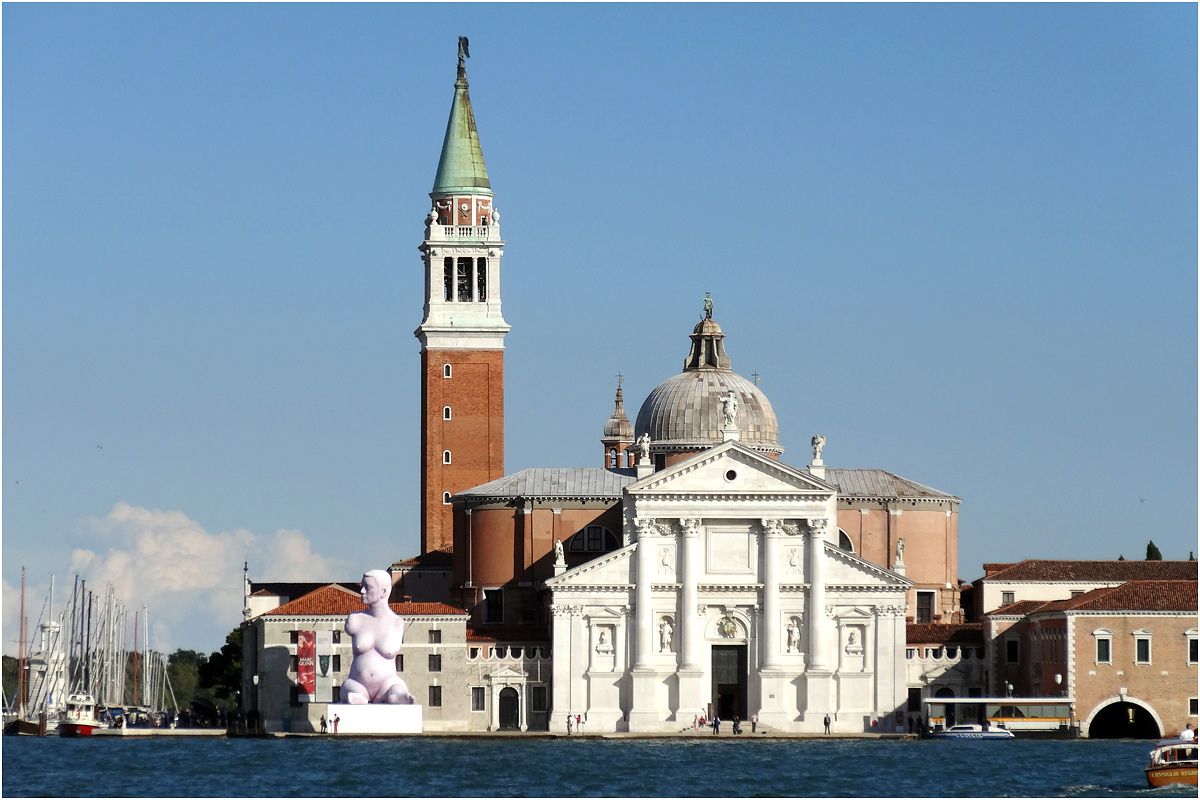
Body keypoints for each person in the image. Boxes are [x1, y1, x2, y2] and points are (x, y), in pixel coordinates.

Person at [342, 570, 416, 705]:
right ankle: (358, 697)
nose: (362, 591)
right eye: (361, 587)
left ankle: (396, 696)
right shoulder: (355, 619)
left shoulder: (397, 622)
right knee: (350, 690)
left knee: (397, 688)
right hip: (357, 682)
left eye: (368, 587)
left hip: (388, 684)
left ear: (383, 591)